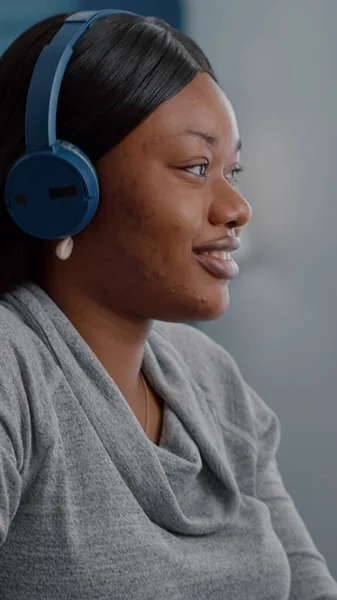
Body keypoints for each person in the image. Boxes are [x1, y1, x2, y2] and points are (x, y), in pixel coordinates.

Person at [0, 9, 336, 600]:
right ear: (60, 191)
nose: (238, 207)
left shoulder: (211, 378)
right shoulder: (12, 368)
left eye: (234, 170)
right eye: (196, 167)